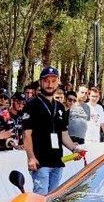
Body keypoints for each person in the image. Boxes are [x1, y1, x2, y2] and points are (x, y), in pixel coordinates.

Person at [21, 66, 83, 194]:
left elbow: (63, 133)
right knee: (41, 197)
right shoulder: (31, 105)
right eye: (46, 81)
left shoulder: (60, 106)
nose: (50, 84)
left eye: (53, 81)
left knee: (53, 199)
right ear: (40, 82)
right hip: (40, 162)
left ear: (58, 82)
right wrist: (31, 157)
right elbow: (26, 134)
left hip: (57, 161)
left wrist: (74, 149)